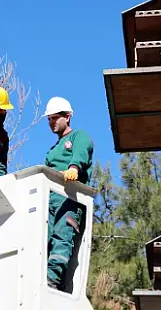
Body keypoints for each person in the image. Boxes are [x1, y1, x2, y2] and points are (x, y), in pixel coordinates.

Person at [42, 96, 94, 291]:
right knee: (42, 240)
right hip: (50, 201)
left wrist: (73, 168)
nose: (51, 122)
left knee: (62, 238)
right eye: (49, 119)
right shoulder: (52, 150)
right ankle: (40, 279)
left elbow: (80, 152)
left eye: (55, 118)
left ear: (68, 117)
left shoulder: (78, 136)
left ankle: (52, 281)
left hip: (70, 200)